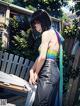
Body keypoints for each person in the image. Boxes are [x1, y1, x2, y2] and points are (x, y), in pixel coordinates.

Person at [29, 9, 60, 106]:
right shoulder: (53, 33)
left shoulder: (46, 34)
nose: (35, 26)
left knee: (40, 103)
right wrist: (32, 71)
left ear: (42, 21)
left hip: (48, 72)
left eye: (36, 22)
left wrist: (36, 73)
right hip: (52, 71)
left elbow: (42, 57)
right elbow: (41, 57)